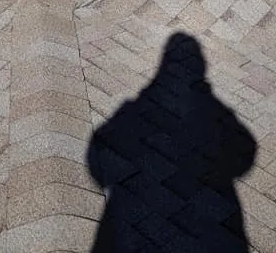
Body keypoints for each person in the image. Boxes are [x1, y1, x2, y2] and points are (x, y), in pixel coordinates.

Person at [88, 32, 256, 252]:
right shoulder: (217, 113)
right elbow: (246, 150)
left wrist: (120, 178)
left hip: (128, 225)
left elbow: (97, 155)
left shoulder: (133, 111)